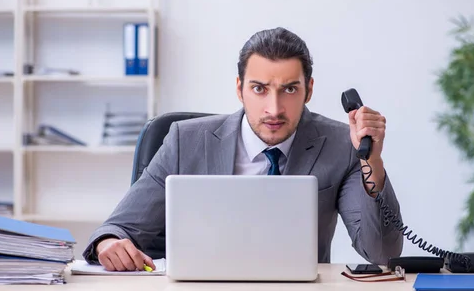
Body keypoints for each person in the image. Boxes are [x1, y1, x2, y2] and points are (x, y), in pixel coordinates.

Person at [83, 27, 404, 272]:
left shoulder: (339, 145)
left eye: (289, 89)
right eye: (259, 89)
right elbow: (118, 227)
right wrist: (109, 244)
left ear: (309, 91)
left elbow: (380, 253)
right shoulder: (185, 140)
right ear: (240, 89)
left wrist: (371, 161)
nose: (273, 108)